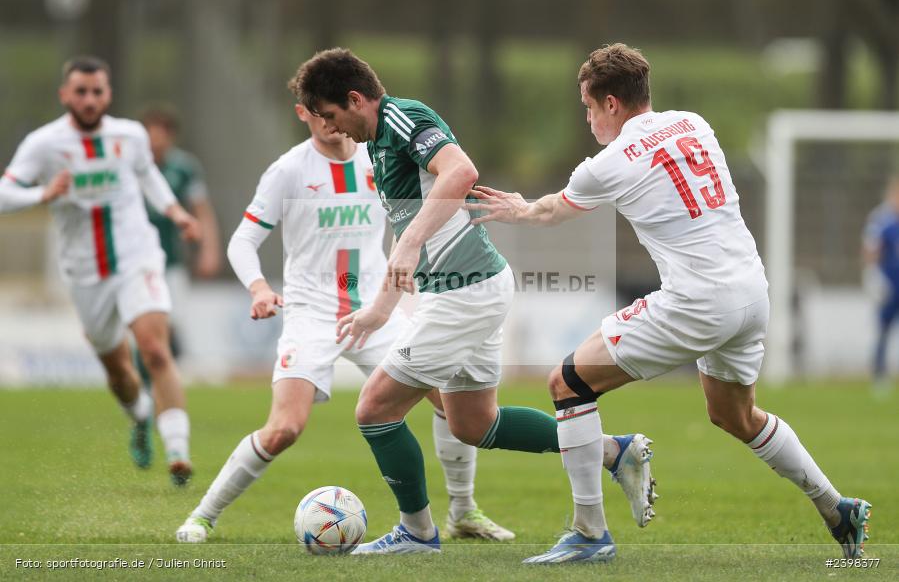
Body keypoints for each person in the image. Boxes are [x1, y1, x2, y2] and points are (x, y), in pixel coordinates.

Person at [469, 43, 871, 564]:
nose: (588, 120)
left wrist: (518, 211)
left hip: (699, 301)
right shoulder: (693, 123)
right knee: (735, 415)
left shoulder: (606, 164)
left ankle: (590, 535)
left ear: (611, 104)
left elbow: (553, 212)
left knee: (567, 382)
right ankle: (838, 508)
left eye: (589, 108)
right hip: (752, 291)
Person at [293, 48, 656, 555]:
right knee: (474, 425)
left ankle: (417, 532)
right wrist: (382, 305)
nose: (332, 130)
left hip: (464, 294)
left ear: (356, 99)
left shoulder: (402, 117)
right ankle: (615, 451)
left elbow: (460, 172)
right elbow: (408, 230)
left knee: (374, 409)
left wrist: (412, 242)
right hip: (469, 288)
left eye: (331, 116)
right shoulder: (376, 143)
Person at [175, 80, 516, 544]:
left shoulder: (376, 152)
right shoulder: (288, 171)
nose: (331, 124)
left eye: (333, 113)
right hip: (312, 314)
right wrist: (257, 287)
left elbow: (422, 202)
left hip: (374, 311)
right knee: (284, 429)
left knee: (448, 400)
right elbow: (243, 239)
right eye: (320, 115)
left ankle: (462, 511)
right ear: (305, 114)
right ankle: (203, 515)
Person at [0, 56, 200, 485]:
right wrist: (41, 194)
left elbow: (149, 178)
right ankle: (140, 417)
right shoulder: (44, 144)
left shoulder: (129, 136)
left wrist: (175, 212)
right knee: (118, 372)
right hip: (85, 273)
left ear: (108, 95)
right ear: (65, 95)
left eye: (97, 92)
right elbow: (4, 193)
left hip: (137, 257)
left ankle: (179, 453)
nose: (89, 100)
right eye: (81, 92)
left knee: (155, 349)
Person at [133, 106, 223, 391]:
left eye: (161, 134)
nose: (155, 140)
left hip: (171, 262)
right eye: (150, 133)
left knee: (170, 324)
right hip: (132, 263)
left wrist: (209, 249)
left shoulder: (184, 168)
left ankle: (160, 380)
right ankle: (145, 388)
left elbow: (201, 210)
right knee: (141, 327)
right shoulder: (130, 166)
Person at [861, 175, 899, 395]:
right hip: (890, 286)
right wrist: (872, 275)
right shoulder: (881, 219)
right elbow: (871, 250)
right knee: (884, 330)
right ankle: (879, 374)